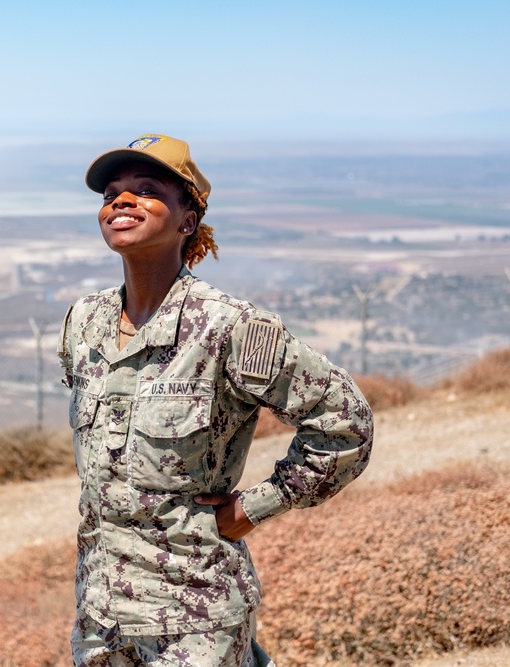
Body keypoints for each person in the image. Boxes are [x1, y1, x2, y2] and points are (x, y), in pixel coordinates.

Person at [57, 134, 374, 667]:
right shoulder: (83, 323)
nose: (121, 202)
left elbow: (345, 424)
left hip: (195, 620)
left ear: (187, 220)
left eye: (147, 190)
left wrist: (254, 506)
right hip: (100, 617)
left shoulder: (228, 326)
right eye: (111, 193)